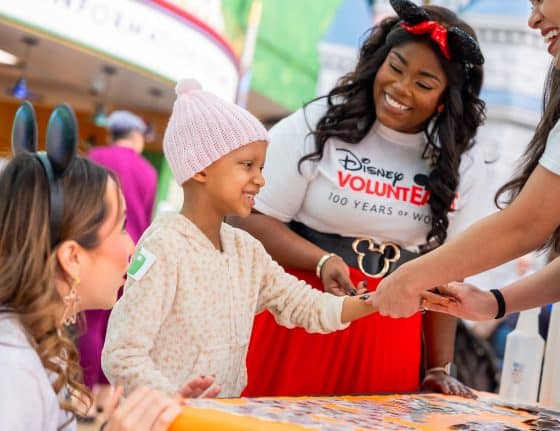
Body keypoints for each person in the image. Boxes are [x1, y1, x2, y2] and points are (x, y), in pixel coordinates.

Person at [372, 1, 560, 429]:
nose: (533, 19)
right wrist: (495, 302)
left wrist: (408, 278)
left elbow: (525, 223)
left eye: (541, 0)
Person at [230, 0, 488, 398]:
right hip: (300, 319)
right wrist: (321, 260)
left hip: (388, 336)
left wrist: (438, 367)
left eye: (423, 83)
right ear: (378, 62)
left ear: (444, 98)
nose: (400, 89)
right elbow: (246, 217)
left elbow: (448, 272)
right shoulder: (319, 123)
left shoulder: (459, 163)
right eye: (396, 68)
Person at [101, 79, 376, 398]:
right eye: (247, 165)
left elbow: (302, 304)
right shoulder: (163, 247)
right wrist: (174, 401)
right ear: (201, 169)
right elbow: (122, 354)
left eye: (261, 167)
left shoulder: (246, 251)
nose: (260, 179)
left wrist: (375, 302)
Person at [0, 102, 181, 430]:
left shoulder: (35, 339)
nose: (132, 246)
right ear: (72, 257)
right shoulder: (13, 369)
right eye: (122, 227)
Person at [77, 109, 158, 416]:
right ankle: (108, 397)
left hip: (98, 250)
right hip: (132, 256)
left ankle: (84, 394)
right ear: (136, 137)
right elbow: (147, 221)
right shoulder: (149, 171)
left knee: (90, 325)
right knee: (117, 327)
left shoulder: (95, 157)